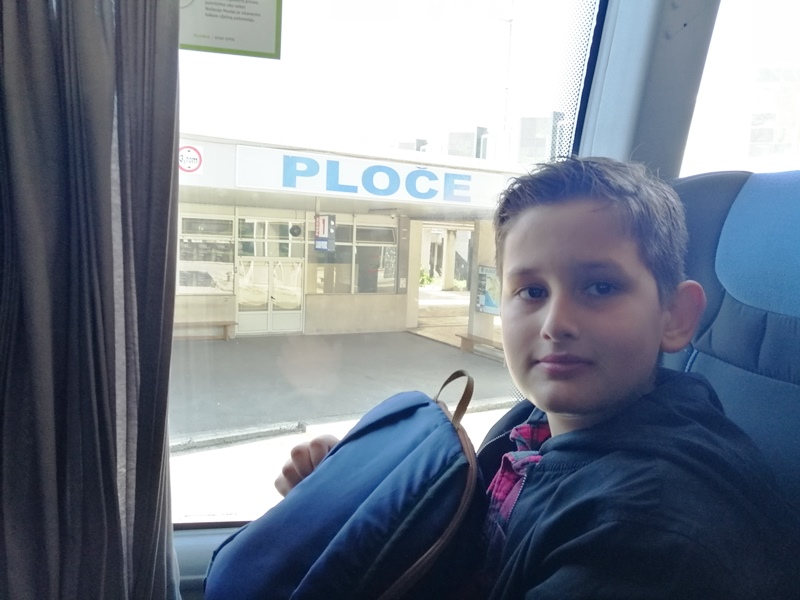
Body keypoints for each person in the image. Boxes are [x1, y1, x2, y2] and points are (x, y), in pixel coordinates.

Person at [275, 156, 800, 598]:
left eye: (599, 287)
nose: (556, 324)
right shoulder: (535, 424)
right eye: (531, 292)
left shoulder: (642, 536)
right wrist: (348, 500)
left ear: (675, 316)